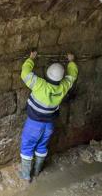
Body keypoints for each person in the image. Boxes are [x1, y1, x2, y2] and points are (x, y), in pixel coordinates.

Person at [18, 50, 78, 181]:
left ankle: (26, 175)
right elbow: (72, 77)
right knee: (41, 146)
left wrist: (31, 59)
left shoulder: (40, 85)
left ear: (47, 74)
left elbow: (25, 73)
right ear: (60, 78)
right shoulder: (63, 88)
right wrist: (71, 62)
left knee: (27, 147)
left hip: (34, 124)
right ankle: (37, 170)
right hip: (49, 125)